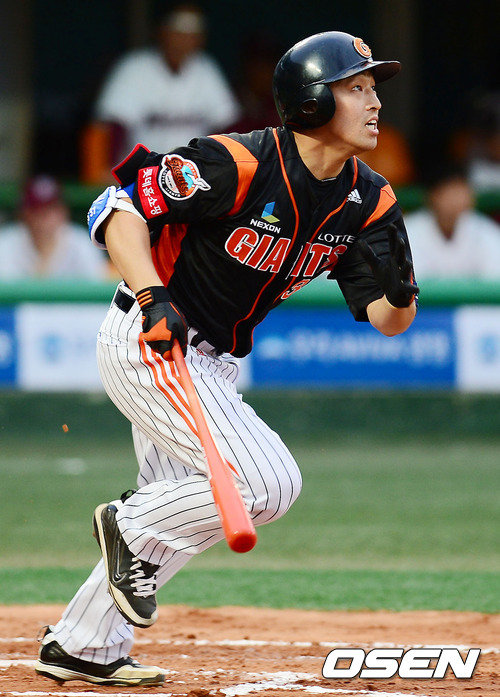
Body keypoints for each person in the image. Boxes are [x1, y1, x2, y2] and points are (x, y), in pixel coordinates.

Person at [35, 31, 418, 687]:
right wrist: (153, 295)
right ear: (312, 99)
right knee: (267, 483)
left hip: (210, 363)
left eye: (373, 88)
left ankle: (82, 643)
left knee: (178, 509)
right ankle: (126, 523)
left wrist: (402, 292)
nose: (375, 101)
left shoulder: (368, 199)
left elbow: (387, 321)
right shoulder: (238, 161)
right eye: (356, 87)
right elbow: (116, 207)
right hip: (153, 339)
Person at [81, 3, 240, 183]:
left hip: (191, 180)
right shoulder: (134, 67)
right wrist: (105, 171)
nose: (186, 37)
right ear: (162, 30)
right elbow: (110, 127)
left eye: (194, 29)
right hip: (139, 179)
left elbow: (228, 127)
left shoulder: (206, 69)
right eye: (180, 28)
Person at [0, 175, 108, 280]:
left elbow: (97, 284)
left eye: (50, 209)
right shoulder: (5, 243)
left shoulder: (81, 243)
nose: (43, 217)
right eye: (36, 210)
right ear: (23, 213)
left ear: (63, 212)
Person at [404, 163, 500, 279]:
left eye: (459, 191)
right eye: (448, 191)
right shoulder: (408, 231)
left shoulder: (487, 232)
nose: (454, 200)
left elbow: (494, 280)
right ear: (432, 195)